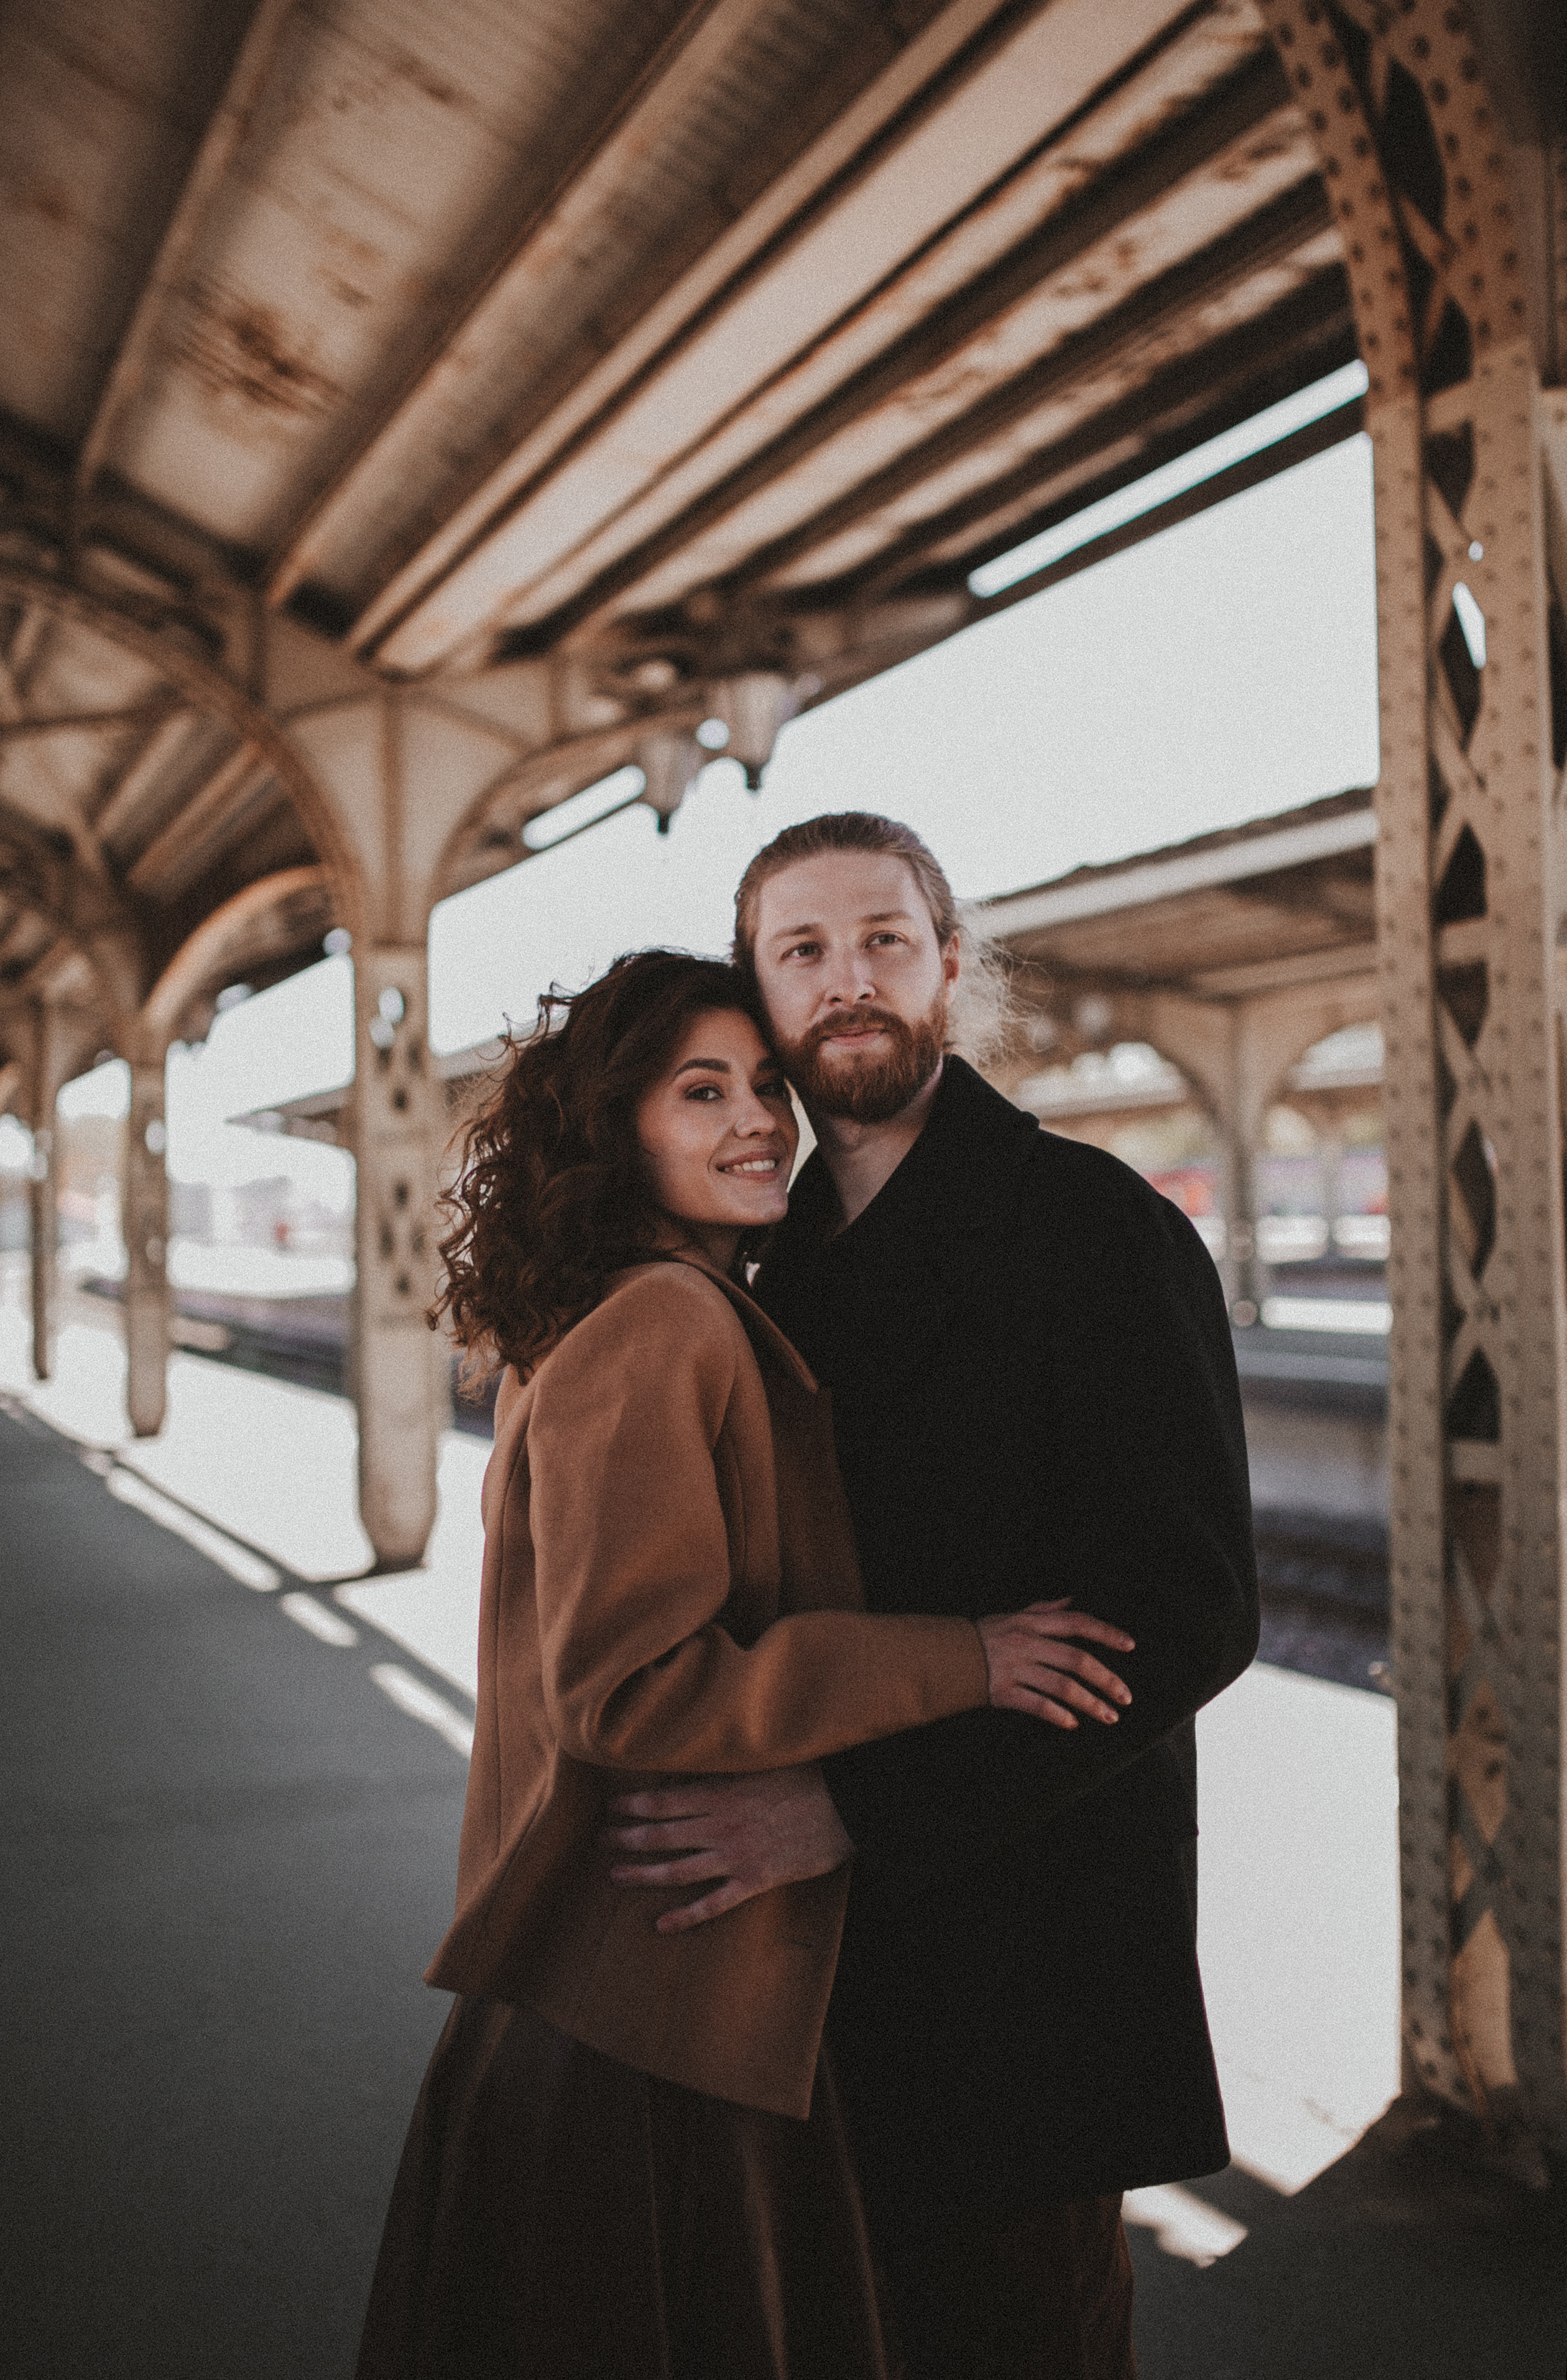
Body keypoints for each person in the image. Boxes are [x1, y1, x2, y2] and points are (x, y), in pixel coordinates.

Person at [354, 948, 1137, 2380]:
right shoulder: (660, 1323)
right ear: (617, 1127)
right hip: (655, 2019)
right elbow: (631, 1688)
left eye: (767, 1086)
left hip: (615, 1988)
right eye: (699, 1090)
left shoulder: (621, 1310)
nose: (759, 1119)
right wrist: (961, 1660)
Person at [606, 822, 1260, 2380]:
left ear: (952, 969)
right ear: (759, 997)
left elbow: (1188, 1609)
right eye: (805, 954)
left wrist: (853, 1811)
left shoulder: (1097, 1232)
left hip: (1021, 1966)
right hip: (802, 1974)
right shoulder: (751, 1256)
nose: (852, 985)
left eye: (887, 942)